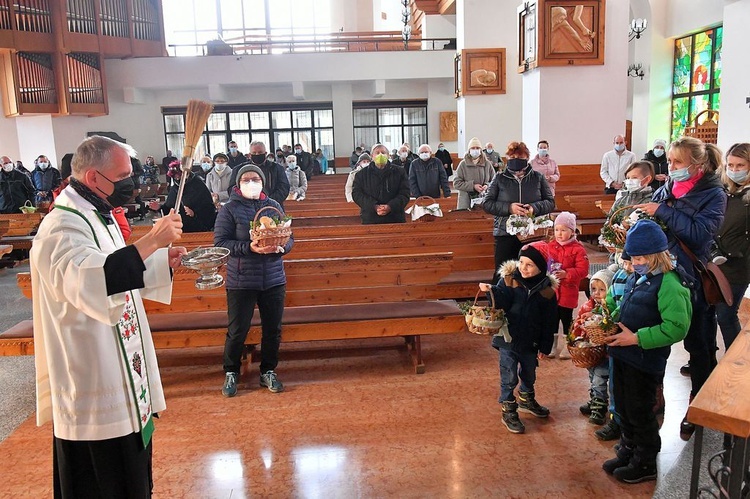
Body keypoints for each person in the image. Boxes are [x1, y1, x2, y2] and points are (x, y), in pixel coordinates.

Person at [31, 135, 186, 497]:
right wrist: (152, 241)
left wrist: (161, 260)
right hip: (93, 377)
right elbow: (94, 282)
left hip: (121, 367)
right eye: (123, 175)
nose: (131, 182)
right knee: (104, 482)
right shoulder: (60, 228)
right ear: (93, 178)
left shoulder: (98, 215)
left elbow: (117, 268)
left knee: (132, 476)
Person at [636, 136, 726, 437]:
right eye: (670, 161)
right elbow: (653, 210)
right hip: (662, 272)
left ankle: (697, 404)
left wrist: (662, 212)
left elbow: (700, 235)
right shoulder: (672, 185)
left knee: (699, 345)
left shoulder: (714, 194)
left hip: (691, 276)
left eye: (677, 162)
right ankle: (654, 395)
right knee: (656, 339)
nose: (670, 167)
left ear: (697, 165)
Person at [603, 220, 692, 484]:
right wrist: (610, 321)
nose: (635, 262)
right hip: (622, 354)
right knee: (623, 406)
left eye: (640, 257)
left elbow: (676, 327)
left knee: (640, 410)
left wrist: (637, 338)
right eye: (632, 258)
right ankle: (627, 450)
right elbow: (625, 307)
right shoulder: (637, 276)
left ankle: (645, 462)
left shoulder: (670, 284)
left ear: (656, 255)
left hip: (644, 360)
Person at [214, 164, 294, 397]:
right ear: (238, 184)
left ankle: (268, 370)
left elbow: (290, 238)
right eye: (246, 179)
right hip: (242, 280)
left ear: (262, 182)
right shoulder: (228, 210)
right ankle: (231, 372)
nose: (251, 182)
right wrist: (248, 248)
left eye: (255, 178)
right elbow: (220, 244)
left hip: (273, 279)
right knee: (238, 330)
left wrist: (281, 248)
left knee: (273, 329)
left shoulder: (273, 206)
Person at [478, 243, 558, 434]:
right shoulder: (509, 280)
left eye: (529, 265)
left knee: (529, 373)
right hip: (508, 338)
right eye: (521, 262)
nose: (523, 267)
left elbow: (549, 321)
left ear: (540, 267)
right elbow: (502, 301)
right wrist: (491, 290)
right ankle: (508, 407)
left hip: (531, 340)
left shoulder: (547, 291)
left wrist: (545, 346)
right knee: (509, 375)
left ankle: (526, 399)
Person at [482, 141, 555, 275]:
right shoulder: (499, 178)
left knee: (531, 273)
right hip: (505, 233)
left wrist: (534, 208)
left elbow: (550, 202)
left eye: (520, 158)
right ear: (508, 158)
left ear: (527, 158)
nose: (516, 161)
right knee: (504, 274)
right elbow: (487, 203)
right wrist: (509, 208)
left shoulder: (537, 178)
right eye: (513, 158)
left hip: (532, 233)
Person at [715, 143, 750, 351]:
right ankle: (711, 358)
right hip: (716, 262)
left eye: (740, 165)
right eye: (731, 165)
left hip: (738, 264)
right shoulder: (725, 191)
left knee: (727, 315)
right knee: (714, 313)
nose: (734, 170)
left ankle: (734, 362)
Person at [570, 269, 614, 426]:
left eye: (602, 290)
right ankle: (594, 399)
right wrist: (578, 328)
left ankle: (600, 407)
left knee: (599, 378)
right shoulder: (587, 306)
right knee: (592, 375)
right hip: (591, 351)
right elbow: (579, 326)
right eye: (594, 289)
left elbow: (609, 324)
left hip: (605, 351)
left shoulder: (609, 308)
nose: (597, 293)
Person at [542, 211, 589, 359]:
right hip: (552, 290)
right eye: (556, 229)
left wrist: (566, 274)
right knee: (551, 318)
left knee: (566, 318)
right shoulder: (550, 246)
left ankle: (568, 344)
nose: (559, 233)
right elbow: (544, 263)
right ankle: (552, 345)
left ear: (572, 231)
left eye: (563, 230)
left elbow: (583, 270)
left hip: (568, 290)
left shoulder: (578, 249)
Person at [149, 161, 216, 232]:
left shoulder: (198, 185)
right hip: (179, 229)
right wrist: (159, 207)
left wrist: (194, 213)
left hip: (197, 228)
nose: (177, 178)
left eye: (179, 175)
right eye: (175, 177)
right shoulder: (175, 188)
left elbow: (209, 209)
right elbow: (169, 208)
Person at [351, 143, 410, 225]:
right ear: (372, 156)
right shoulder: (361, 174)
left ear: (388, 155)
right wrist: (374, 206)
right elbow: (357, 194)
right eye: (377, 153)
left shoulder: (399, 172)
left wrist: (390, 206)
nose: (380, 155)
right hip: (370, 218)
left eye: (383, 152)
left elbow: (405, 193)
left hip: (395, 218)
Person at [228, 141, 290, 207]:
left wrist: (267, 201)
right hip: (246, 208)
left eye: (260, 152)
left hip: (273, 207)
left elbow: (284, 188)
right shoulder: (238, 169)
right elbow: (232, 190)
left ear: (265, 153)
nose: (257, 154)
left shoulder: (277, 168)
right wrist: (248, 202)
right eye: (254, 153)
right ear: (249, 155)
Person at [453, 137, 495, 210]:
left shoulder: (487, 164)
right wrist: (473, 186)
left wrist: (487, 185)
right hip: (466, 201)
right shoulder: (463, 164)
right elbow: (456, 183)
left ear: (481, 150)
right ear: (469, 150)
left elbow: (494, 181)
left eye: (477, 148)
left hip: (484, 199)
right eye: (473, 148)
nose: (475, 150)